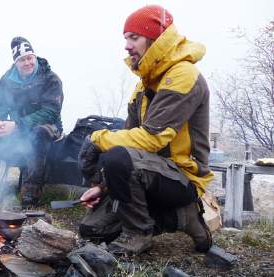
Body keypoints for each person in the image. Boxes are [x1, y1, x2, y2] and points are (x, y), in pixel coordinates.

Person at [77, 5, 213, 255]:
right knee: (92, 230)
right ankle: (164, 216)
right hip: (147, 173)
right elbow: (128, 142)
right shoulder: (142, 87)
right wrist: (103, 187)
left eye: (134, 37)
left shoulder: (183, 74)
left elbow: (151, 138)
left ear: (157, 39)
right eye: (126, 38)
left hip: (181, 177)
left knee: (115, 156)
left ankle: (149, 229)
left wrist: (97, 139)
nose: (127, 46)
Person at [0, 36, 63, 207]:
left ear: (35, 57)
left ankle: (30, 191)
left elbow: (51, 111)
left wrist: (18, 125)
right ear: (16, 62)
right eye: (22, 60)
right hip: (17, 129)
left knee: (39, 132)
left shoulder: (50, 79)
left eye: (30, 57)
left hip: (47, 127)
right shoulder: (6, 81)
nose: (27, 63)